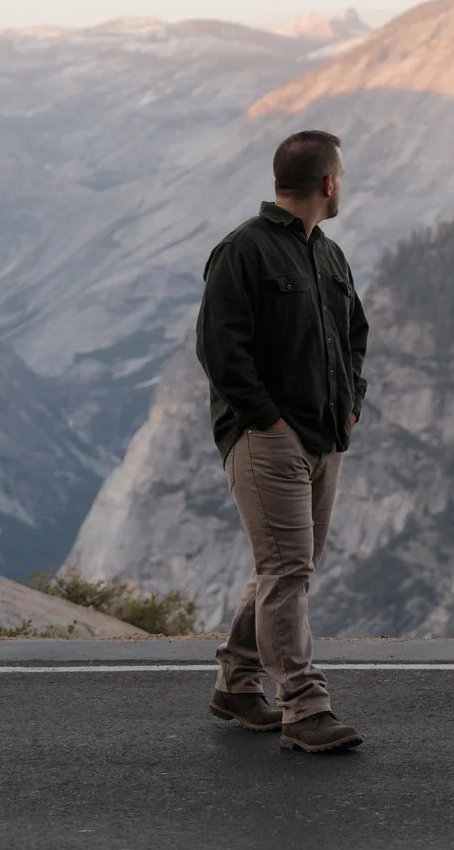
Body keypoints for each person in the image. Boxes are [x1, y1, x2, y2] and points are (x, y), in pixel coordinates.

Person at [195, 128, 371, 754]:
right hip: (267, 440)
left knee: (287, 567)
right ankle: (304, 705)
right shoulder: (242, 250)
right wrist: (267, 421)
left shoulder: (330, 255)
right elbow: (220, 350)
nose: (342, 185)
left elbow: (354, 335)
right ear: (328, 183)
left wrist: (351, 400)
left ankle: (237, 684)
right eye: (341, 176)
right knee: (287, 568)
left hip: (325, 437)